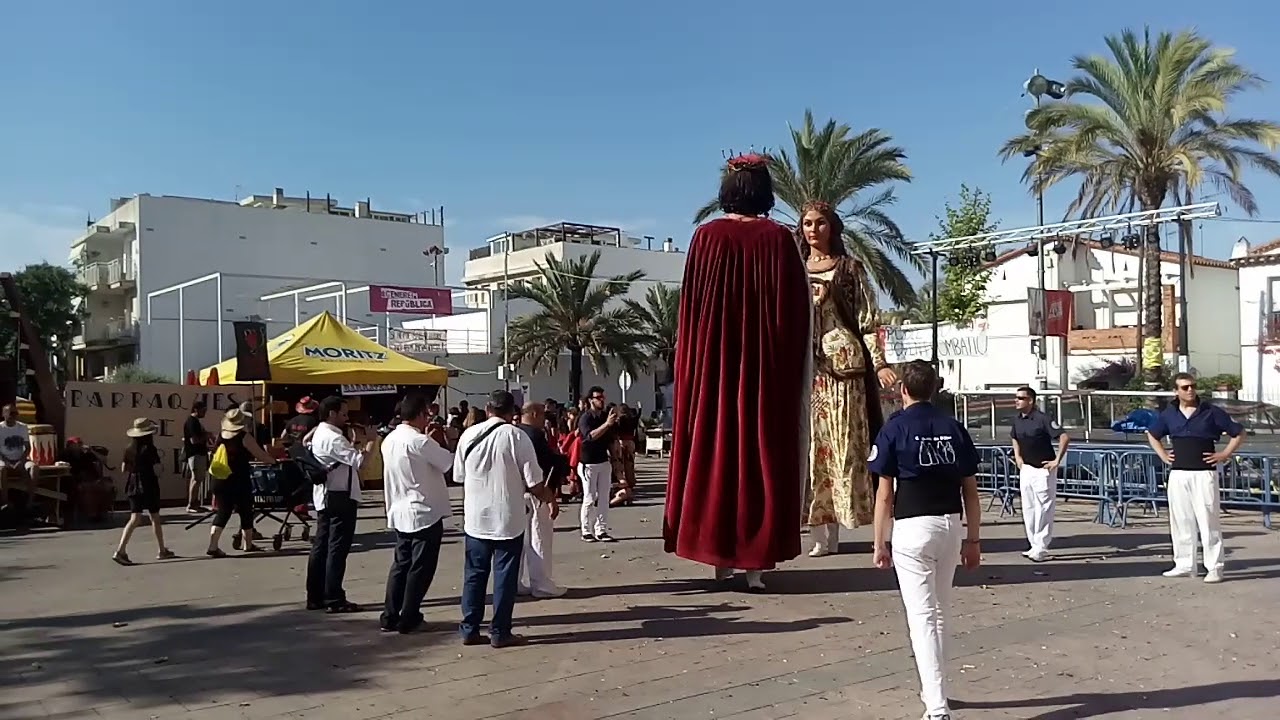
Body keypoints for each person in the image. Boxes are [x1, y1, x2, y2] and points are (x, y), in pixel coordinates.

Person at [663, 153, 812, 592]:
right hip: (765, 373)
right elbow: (796, 316)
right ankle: (755, 567)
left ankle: (719, 561)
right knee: (761, 454)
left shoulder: (705, 237)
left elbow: (690, 313)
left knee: (715, 451)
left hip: (713, 371)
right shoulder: (778, 239)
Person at [869, 360, 982, 720]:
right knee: (940, 612)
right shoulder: (953, 427)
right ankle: (937, 691)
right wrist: (974, 540)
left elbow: (884, 494)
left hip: (912, 526)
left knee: (922, 617)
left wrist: (879, 542)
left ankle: (936, 706)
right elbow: (971, 492)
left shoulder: (894, 428)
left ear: (903, 389)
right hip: (949, 524)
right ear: (934, 389)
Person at [799, 201, 898, 557]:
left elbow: (869, 320)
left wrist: (880, 363)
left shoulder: (849, 269)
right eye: (807, 223)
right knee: (812, 449)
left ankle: (847, 522)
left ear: (832, 227)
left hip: (844, 370)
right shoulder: (794, 269)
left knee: (845, 449)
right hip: (807, 370)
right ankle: (819, 530)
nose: (813, 230)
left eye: (820, 223)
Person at [454, 390, 553, 648]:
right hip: (508, 518)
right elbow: (534, 482)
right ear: (512, 412)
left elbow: (458, 476)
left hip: (476, 518)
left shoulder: (468, 435)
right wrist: (549, 497)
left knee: (474, 575)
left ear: (488, 409)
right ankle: (500, 631)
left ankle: (469, 628)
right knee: (505, 578)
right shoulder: (517, 437)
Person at [1146, 372, 1244, 584]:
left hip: (1204, 473)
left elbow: (1238, 432)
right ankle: (1184, 564)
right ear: (1176, 391)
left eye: (1192, 386)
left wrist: (1225, 454)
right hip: (1179, 474)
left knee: (1208, 520)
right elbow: (1152, 434)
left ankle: (1214, 567)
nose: (1190, 390)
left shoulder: (1210, 411)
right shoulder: (1169, 413)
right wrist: (1163, 455)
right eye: (1185, 387)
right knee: (1181, 520)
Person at [380, 393, 454, 634]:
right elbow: (447, 462)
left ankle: (390, 614)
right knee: (420, 568)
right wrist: (437, 440)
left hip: (400, 507)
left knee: (401, 565)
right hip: (423, 510)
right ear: (421, 414)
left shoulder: (389, 439)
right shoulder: (419, 441)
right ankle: (410, 616)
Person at [305, 396, 376, 613]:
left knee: (322, 546)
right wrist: (371, 441)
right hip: (339, 496)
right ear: (332, 414)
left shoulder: (319, 433)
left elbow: (342, 458)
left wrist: (353, 444)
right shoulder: (334, 438)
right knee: (337, 547)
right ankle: (334, 597)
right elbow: (361, 463)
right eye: (343, 414)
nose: (347, 418)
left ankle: (315, 595)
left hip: (325, 495)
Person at [1010, 386, 1070, 562]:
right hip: (1027, 468)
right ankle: (1033, 544)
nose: (1017, 401)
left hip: (1043, 469)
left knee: (1044, 508)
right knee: (1028, 508)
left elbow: (1064, 437)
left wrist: (1057, 460)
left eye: (1021, 398)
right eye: (1016, 397)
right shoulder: (1017, 420)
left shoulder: (1042, 419)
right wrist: (1018, 457)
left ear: (1030, 400)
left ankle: (1041, 547)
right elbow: (1014, 437)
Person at [207, 407, 276, 557]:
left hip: (219, 479)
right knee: (246, 511)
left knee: (223, 512)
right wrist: (274, 461)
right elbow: (261, 455)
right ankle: (248, 544)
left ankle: (213, 545)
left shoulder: (221, 435)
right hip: (238, 479)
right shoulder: (244, 437)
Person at [516, 401, 566, 599]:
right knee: (539, 538)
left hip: (517, 492)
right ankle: (541, 584)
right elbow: (545, 463)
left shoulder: (515, 432)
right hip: (537, 491)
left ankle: (515, 582)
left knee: (519, 541)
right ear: (535, 414)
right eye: (543, 414)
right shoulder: (534, 435)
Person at [112, 418, 175, 564]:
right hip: (148, 483)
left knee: (134, 518)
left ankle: (121, 550)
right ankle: (161, 550)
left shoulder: (129, 449)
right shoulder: (150, 449)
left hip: (133, 484)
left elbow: (124, 469)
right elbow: (157, 469)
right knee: (155, 517)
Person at [578, 387, 619, 543]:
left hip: (603, 462)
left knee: (603, 498)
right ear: (591, 400)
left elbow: (610, 440)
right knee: (589, 497)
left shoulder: (604, 417)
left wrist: (616, 460)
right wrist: (607, 424)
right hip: (588, 463)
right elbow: (590, 436)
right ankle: (586, 530)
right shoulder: (585, 418)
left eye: (603, 397)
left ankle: (601, 530)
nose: (602, 400)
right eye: (598, 398)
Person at [0, 403, 38, 526]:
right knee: (1, 469)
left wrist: (21, 461)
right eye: (11, 413)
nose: (14, 416)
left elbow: (28, 447)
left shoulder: (22, 427)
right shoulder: (0, 428)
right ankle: (5, 502)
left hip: (20, 458)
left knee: (34, 467)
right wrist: (7, 462)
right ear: (4, 414)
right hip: (3, 458)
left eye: (16, 413)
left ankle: (30, 501)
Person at [182, 401, 211, 514]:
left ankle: (194, 503)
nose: (205, 413)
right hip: (195, 454)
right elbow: (194, 440)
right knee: (196, 479)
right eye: (203, 410)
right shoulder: (192, 422)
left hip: (198, 454)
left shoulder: (195, 422)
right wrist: (207, 436)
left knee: (197, 479)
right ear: (196, 409)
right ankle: (191, 504)